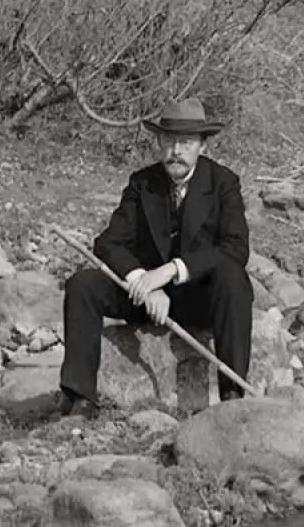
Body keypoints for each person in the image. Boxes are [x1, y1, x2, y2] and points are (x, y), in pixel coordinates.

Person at [58, 98, 255, 417]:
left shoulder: (223, 183)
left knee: (233, 278)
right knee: (84, 284)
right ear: (159, 142)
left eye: (186, 142)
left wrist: (172, 271)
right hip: (144, 298)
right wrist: (142, 281)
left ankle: (232, 397)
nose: (176, 150)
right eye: (169, 141)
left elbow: (235, 247)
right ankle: (80, 399)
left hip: (200, 299)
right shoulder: (142, 183)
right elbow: (108, 243)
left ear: (202, 146)